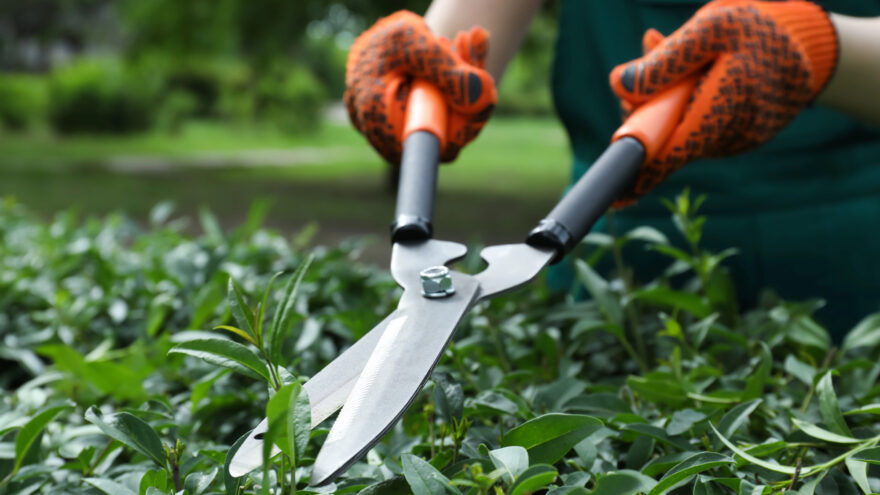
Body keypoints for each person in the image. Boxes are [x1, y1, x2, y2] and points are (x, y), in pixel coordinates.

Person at [344, 0, 880, 339]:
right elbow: (458, 44)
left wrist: (824, 49)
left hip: (855, 262)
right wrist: (416, 70)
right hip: (610, 270)